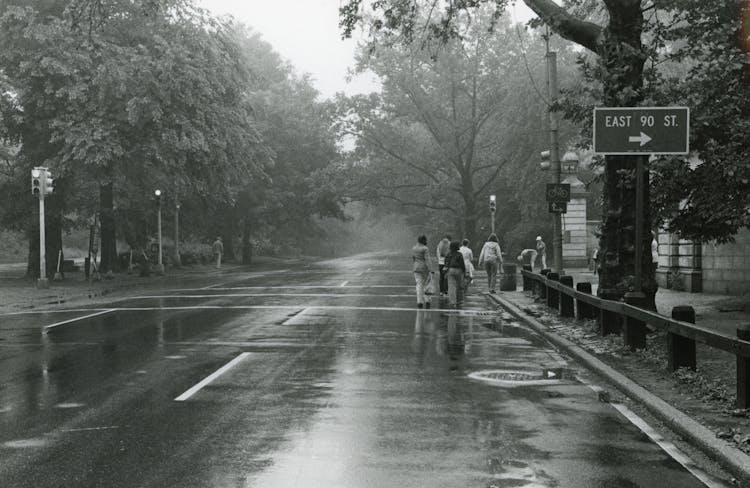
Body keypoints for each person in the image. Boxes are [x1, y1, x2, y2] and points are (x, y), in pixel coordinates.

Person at [412, 235, 435, 309]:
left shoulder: (414, 248)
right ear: (424, 240)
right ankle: (427, 301)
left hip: (416, 268)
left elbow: (414, 258)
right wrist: (431, 269)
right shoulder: (425, 248)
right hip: (424, 268)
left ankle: (419, 302)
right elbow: (427, 259)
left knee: (419, 285)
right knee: (426, 285)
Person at [445, 240, 466, 308]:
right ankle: (459, 301)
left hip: (450, 270)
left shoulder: (448, 254)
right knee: (459, 286)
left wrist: (445, 271)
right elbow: (462, 264)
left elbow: (446, 263)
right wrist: (464, 271)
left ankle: (452, 302)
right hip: (458, 270)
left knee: (451, 287)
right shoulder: (459, 254)